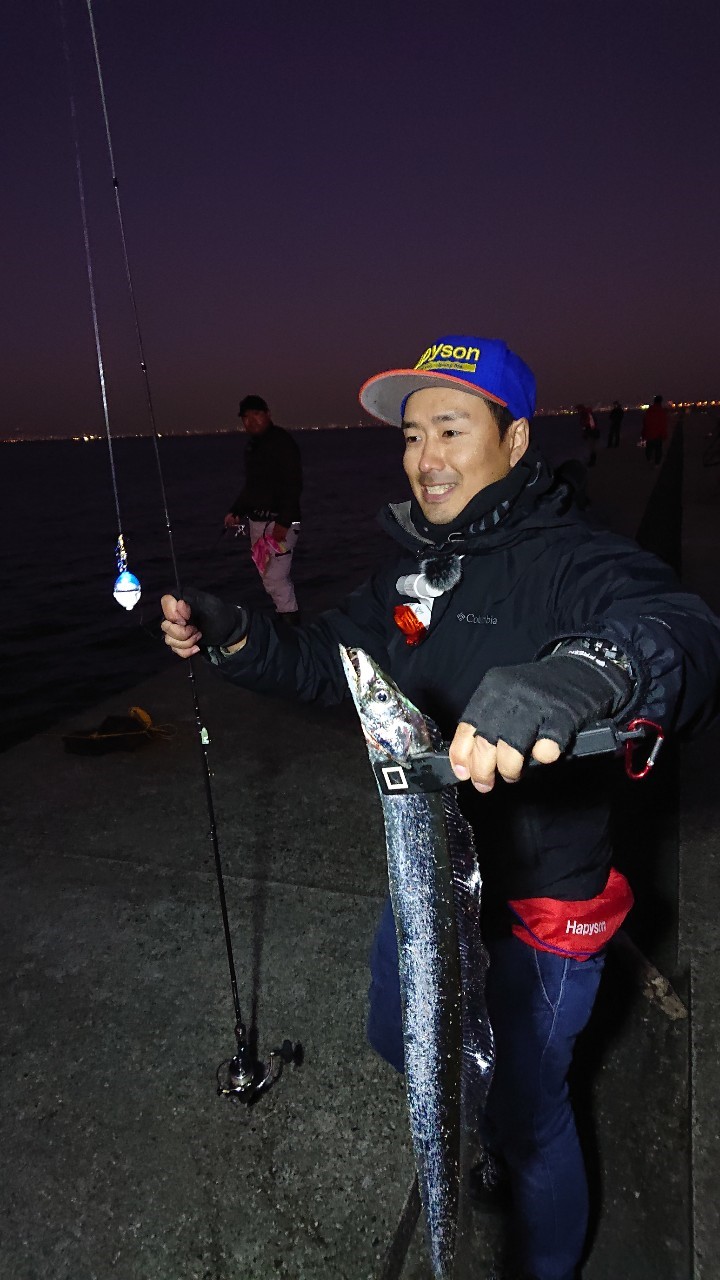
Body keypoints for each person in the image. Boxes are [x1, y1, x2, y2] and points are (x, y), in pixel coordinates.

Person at [161, 334, 720, 1280]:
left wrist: (588, 671)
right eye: (413, 435)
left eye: (452, 429)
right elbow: (332, 664)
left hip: (539, 910)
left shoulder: (575, 559)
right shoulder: (412, 570)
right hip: (429, 891)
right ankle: (474, 1128)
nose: (426, 457)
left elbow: (685, 632)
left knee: (530, 1116)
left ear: (516, 440)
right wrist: (241, 636)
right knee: (399, 1040)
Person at [224, 394, 303, 622]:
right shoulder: (252, 447)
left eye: (256, 414)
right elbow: (252, 487)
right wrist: (236, 511)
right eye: (246, 417)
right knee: (267, 576)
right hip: (257, 524)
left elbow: (294, 483)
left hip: (280, 523)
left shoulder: (283, 443)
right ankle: (284, 618)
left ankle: (291, 624)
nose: (251, 421)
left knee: (277, 577)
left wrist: (284, 522)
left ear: (268, 414)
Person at [641, 394, 669, 467]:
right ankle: (656, 463)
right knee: (658, 449)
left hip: (649, 433)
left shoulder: (649, 410)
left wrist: (644, 433)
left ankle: (649, 460)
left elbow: (645, 422)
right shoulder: (661, 411)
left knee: (649, 448)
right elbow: (663, 424)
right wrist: (664, 435)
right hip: (658, 434)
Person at [575, 403, 599, 467]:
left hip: (591, 433)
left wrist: (587, 432)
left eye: (578, 410)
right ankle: (592, 461)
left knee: (592, 448)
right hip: (591, 433)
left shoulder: (586, 414)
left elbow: (591, 425)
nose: (577, 411)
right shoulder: (585, 414)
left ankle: (592, 462)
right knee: (591, 447)